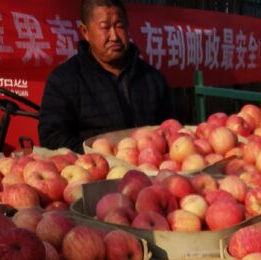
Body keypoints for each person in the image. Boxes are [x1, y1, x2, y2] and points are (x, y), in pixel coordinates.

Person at [39, 0, 173, 152]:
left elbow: (171, 132)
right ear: (85, 31)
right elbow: (51, 137)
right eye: (105, 27)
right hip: (94, 171)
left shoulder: (152, 79)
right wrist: (99, 154)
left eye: (119, 26)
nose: (114, 36)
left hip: (150, 170)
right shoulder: (63, 80)